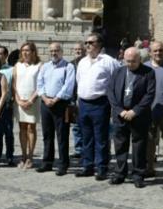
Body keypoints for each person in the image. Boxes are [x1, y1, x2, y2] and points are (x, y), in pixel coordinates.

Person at [74, 32, 121, 179]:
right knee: (86, 136)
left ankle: (102, 167)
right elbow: (79, 81)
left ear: (99, 45)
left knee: (100, 137)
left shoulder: (109, 61)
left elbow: (116, 81)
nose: (87, 45)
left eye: (91, 43)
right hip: (83, 103)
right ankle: (87, 165)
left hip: (100, 103)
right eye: (86, 43)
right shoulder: (82, 62)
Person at [107, 47, 156, 185]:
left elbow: (149, 94)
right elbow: (110, 92)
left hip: (138, 116)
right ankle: (120, 173)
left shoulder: (148, 73)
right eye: (127, 61)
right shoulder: (118, 72)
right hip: (120, 115)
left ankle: (138, 174)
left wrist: (135, 111)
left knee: (139, 146)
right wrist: (119, 110)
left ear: (139, 60)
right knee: (120, 145)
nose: (130, 64)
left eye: (133, 61)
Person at [36, 42, 76, 173]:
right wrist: (45, 98)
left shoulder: (68, 67)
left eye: (56, 50)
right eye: (52, 51)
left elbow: (68, 86)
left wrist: (55, 99)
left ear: (61, 52)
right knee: (47, 135)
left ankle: (63, 164)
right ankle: (47, 162)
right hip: (46, 103)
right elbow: (40, 84)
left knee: (62, 135)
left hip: (60, 104)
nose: (54, 53)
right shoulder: (45, 67)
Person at [144, 41, 163, 181]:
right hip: (148, 111)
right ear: (150, 52)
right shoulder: (145, 67)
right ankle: (149, 168)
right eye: (155, 51)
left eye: (161, 50)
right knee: (149, 141)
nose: (158, 53)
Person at [12, 42, 42, 169]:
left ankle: (30, 156)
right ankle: (23, 155)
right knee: (22, 128)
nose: (25, 52)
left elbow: (41, 84)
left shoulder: (40, 66)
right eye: (23, 50)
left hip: (33, 101)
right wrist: (18, 100)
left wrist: (31, 100)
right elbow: (13, 84)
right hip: (20, 100)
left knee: (31, 128)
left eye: (28, 50)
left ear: (33, 52)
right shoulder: (17, 65)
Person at [0, 46, 16, 166]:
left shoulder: (11, 69)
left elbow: (14, 86)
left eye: (1, 53)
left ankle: (9, 156)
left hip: (7, 104)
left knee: (8, 131)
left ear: (6, 55)